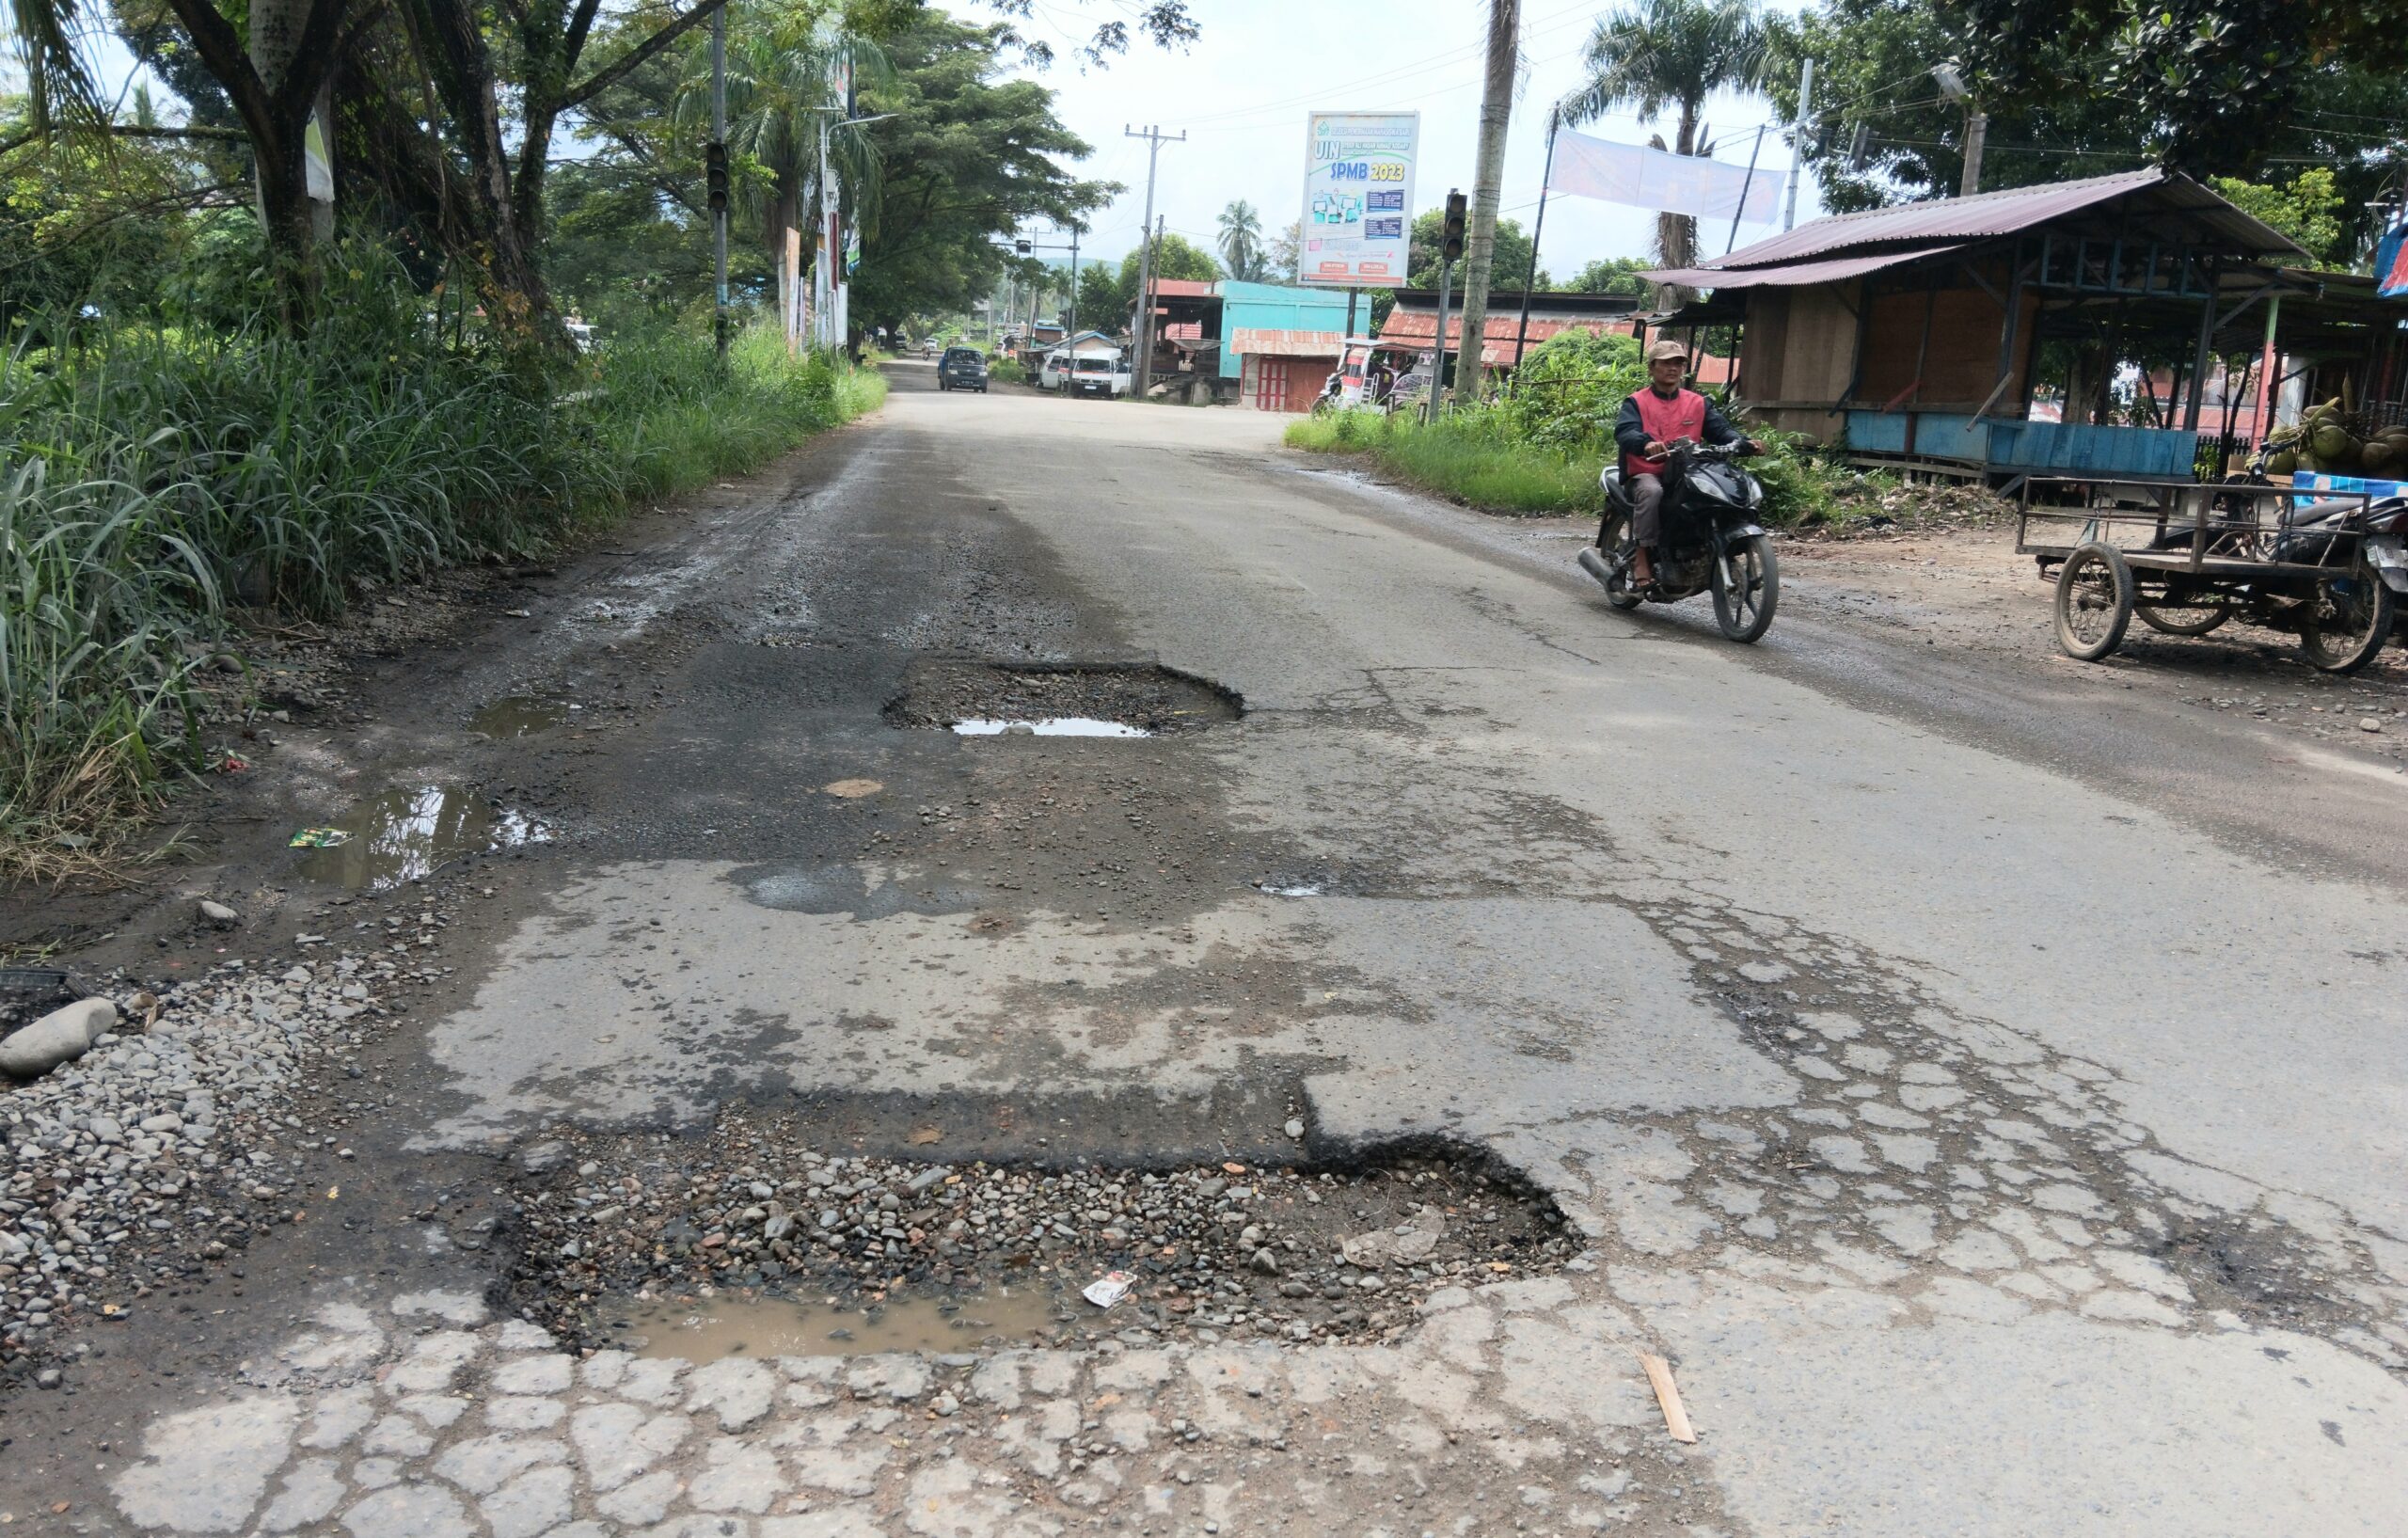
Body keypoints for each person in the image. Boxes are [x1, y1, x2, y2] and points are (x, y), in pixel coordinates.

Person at [1613, 339, 1762, 586]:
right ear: (1651, 368)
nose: (1673, 368)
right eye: (1666, 363)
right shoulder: (1636, 402)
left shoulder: (1697, 402)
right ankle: (1641, 556)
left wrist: (1744, 442)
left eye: (1678, 363)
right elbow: (1625, 431)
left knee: (1721, 490)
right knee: (1651, 492)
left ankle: (1705, 547)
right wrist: (1645, 443)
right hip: (1648, 471)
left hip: (1687, 471)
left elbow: (1721, 431)